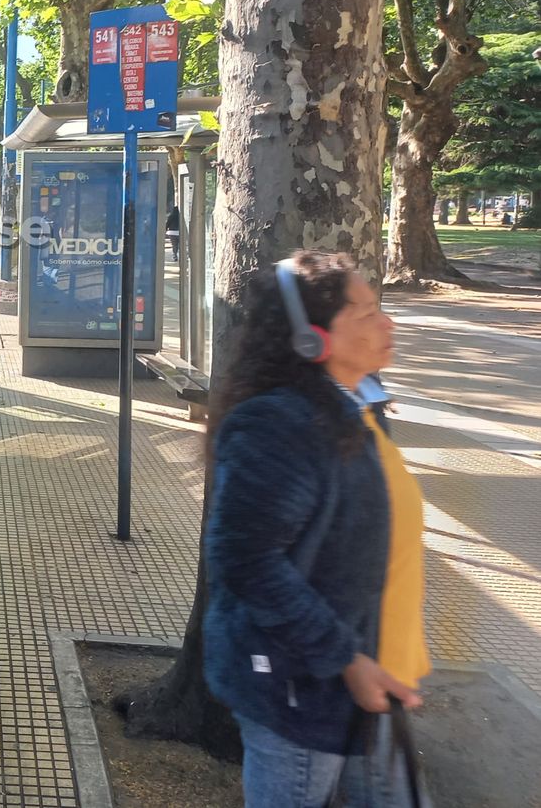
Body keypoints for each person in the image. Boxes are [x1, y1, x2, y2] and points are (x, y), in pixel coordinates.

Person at [204, 250, 429, 807]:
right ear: (311, 338)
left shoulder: (358, 405)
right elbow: (246, 560)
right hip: (306, 688)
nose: (388, 323)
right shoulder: (278, 424)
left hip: (375, 678)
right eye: (369, 312)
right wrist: (345, 660)